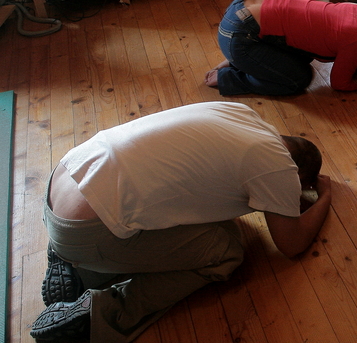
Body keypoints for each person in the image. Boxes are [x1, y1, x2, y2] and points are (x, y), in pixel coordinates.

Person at [30, 101, 332, 342]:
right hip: (85, 232)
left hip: (63, 184)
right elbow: (291, 244)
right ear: (299, 177)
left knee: (221, 225)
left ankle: (80, 269)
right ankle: (102, 312)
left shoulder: (241, 113)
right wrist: (325, 197)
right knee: (226, 250)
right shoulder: (279, 167)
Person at [205, 0, 357, 96]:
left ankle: (238, 59)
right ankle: (230, 77)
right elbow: (339, 83)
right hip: (239, 33)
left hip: (247, 1)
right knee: (298, 79)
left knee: (305, 52)